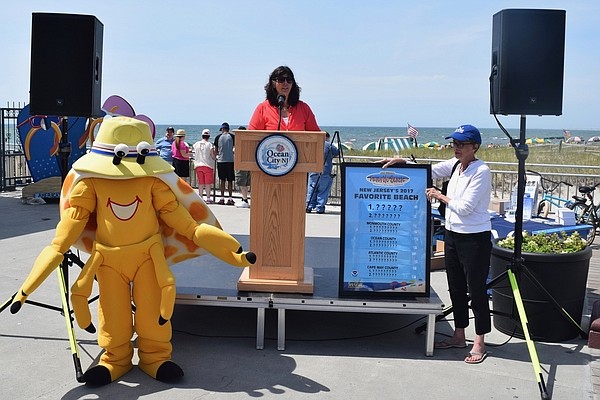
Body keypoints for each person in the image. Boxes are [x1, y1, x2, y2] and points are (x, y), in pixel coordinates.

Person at [380, 124, 492, 365]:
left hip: (474, 239)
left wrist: (438, 196)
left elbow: (465, 207)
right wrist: (401, 161)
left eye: (461, 144)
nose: (456, 148)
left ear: (475, 146)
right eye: (454, 143)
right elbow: (428, 170)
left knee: (477, 291)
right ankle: (459, 335)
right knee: (456, 288)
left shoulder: (481, 171)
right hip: (452, 235)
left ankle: (479, 342)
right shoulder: (454, 166)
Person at [248, 65, 320, 131]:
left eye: (289, 80)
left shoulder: (304, 108)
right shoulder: (262, 109)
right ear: (273, 83)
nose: (285, 83)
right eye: (281, 80)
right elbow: (250, 137)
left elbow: (317, 137)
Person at [306, 132, 340, 214]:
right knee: (323, 191)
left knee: (311, 190)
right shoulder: (329, 145)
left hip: (313, 171)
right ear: (327, 137)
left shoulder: (313, 144)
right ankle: (320, 208)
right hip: (325, 171)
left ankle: (308, 206)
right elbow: (337, 152)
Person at [213, 122, 235, 205]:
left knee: (222, 180)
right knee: (230, 180)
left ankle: (221, 198)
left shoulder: (218, 137)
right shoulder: (232, 136)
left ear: (222, 129)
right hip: (230, 161)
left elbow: (215, 151)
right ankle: (230, 198)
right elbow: (237, 147)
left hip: (221, 161)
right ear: (228, 129)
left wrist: (217, 156)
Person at [192, 129, 215, 203]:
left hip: (198, 165)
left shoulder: (196, 144)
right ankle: (208, 198)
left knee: (200, 183)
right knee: (207, 183)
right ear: (209, 136)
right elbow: (212, 155)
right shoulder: (209, 144)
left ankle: (200, 197)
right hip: (207, 165)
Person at [234, 126, 251, 208]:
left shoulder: (240, 142)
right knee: (247, 183)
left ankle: (245, 200)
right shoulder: (248, 141)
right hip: (248, 164)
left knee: (241, 182)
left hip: (241, 164)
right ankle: (244, 198)